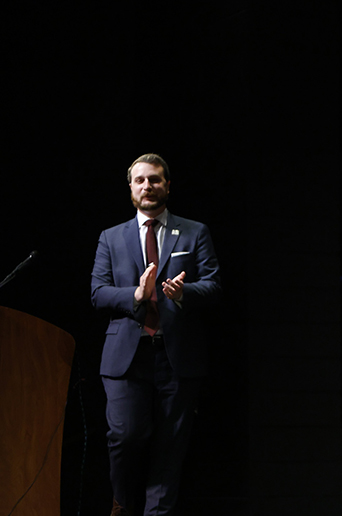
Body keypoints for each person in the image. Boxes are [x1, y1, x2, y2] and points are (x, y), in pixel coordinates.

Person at [91, 153, 222, 516]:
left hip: (176, 356)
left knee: (170, 448)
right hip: (127, 357)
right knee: (125, 435)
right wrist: (134, 294)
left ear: (167, 185)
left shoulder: (194, 232)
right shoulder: (110, 237)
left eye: (155, 180)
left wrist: (184, 293)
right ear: (131, 188)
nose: (148, 186)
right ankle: (121, 503)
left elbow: (213, 286)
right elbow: (98, 292)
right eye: (140, 180)